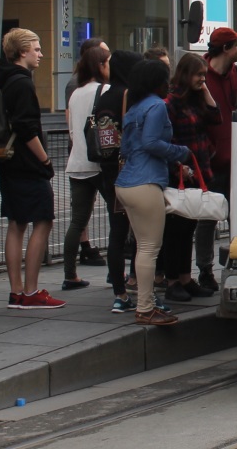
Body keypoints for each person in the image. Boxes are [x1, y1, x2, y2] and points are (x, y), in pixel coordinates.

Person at [116, 59, 190, 326]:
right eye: (165, 80)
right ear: (155, 83)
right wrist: (180, 152)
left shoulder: (134, 108)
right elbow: (151, 143)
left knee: (142, 248)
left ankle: (145, 304)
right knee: (149, 248)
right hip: (146, 183)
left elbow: (126, 148)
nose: (168, 85)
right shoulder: (157, 106)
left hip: (126, 183)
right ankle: (146, 308)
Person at [0, 28, 65, 309]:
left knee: (16, 223)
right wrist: (45, 159)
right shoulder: (23, 83)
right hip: (27, 164)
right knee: (43, 220)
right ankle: (31, 291)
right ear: (22, 52)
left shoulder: (5, 79)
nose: (40, 54)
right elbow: (27, 127)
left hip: (8, 162)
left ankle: (16, 293)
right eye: (36, 49)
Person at [164, 54, 220, 302]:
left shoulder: (194, 99)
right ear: (187, 74)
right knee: (175, 229)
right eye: (199, 75)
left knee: (189, 228)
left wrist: (204, 88)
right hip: (181, 172)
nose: (202, 80)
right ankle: (172, 280)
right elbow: (168, 138)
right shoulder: (171, 102)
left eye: (205, 75)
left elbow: (215, 117)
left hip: (198, 170)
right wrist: (179, 167)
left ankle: (186, 278)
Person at [94, 50, 142, 313]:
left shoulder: (104, 95)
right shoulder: (128, 95)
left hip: (107, 171)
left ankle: (119, 292)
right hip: (129, 171)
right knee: (139, 232)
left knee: (116, 232)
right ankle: (135, 282)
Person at [62, 43, 113, 291]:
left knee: (77, 221)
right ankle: (116, 275)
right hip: (101, 164)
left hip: (78, 162)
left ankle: (69, 275)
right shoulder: (106, 90)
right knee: (118, 217)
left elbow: (72, 131)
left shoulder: (75, 94)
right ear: (101, 65)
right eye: (108, 62)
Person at [199, 27, 237, 292]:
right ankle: (204, 270)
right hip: (212, 163)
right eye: (236, 45)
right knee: (207, 219)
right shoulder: (201, 77)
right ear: (226, 49)